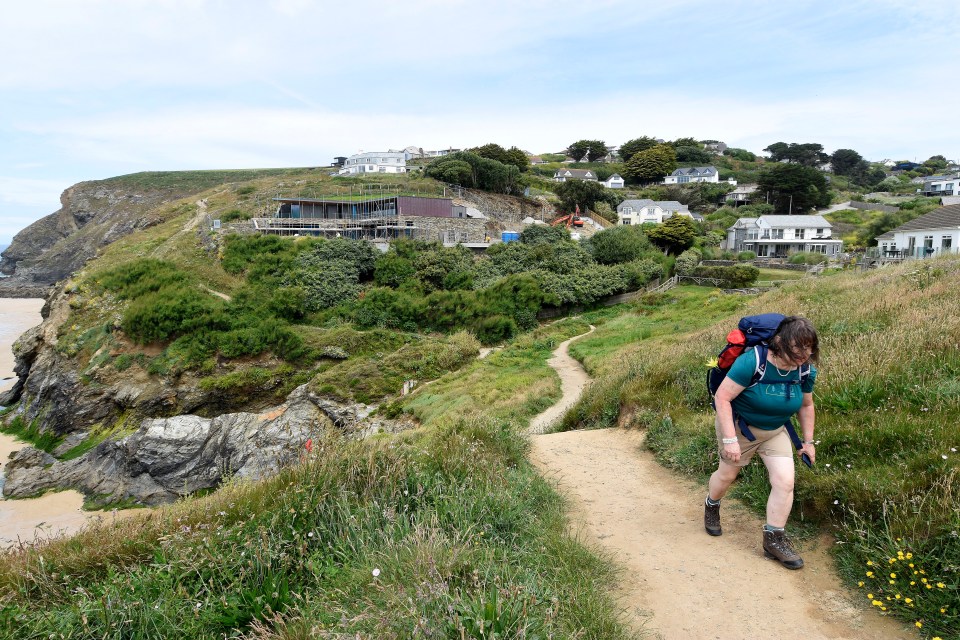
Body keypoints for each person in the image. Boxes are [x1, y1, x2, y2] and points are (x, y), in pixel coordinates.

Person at [704, 316, 819, 569]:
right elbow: (723, 398)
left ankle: (774, 539)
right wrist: (730, 439)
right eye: (797, 348)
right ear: (780, 343)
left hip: (776, 431)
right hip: (740, 429)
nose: (804, 354)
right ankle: (712, 504)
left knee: (785, 482)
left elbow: (806, 405)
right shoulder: (752, 362)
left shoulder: (805, 369)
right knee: (726, 477)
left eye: (809, 347)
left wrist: (808, 442)